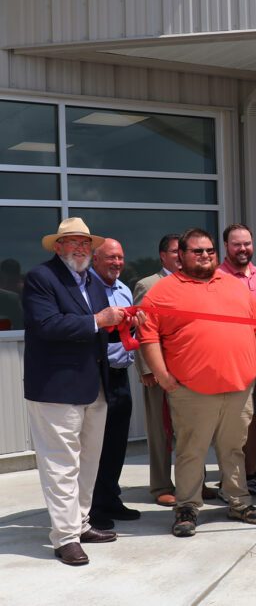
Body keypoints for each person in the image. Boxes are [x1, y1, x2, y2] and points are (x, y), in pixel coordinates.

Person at [138, 228, 256, 538]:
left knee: (233, 449)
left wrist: (253, 367)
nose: (205, 256)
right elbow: (148, 336)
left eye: (209, 250)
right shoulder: (162, 291)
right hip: (191, 390)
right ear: (181, 255)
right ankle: (187, 507)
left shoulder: (234, 286)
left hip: (238, 388)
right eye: (197, 251)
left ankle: (239, 502)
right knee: (191, 451)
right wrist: (163, 375)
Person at [22, 217, 131, 565]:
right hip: (56, 388)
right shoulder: (41, 278)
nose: (81, 249)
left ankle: (81, 524)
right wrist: (100, 320)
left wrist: (125, 324)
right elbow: (47, 325)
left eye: (85, 243)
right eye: (73, 242)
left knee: (88, 462)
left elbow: (98, 331)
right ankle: (65, 537)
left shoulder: (93, 282)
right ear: (58, 247)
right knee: (61, 464)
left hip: (94, 385)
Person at [217, 224, 256, 498]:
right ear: (226, 247)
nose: (243, 249)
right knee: (230, 425)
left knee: (254, 421)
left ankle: (250, 475)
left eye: (247, 243)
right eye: (236, 244)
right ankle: (230, 481)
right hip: (231, 366)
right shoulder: (216, 278)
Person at [88, 238, 141, 530]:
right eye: (111, 257)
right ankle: (92, 507)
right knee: (95, 443)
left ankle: (110, 499)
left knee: (116, 442)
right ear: (95, 259)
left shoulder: (123, 289)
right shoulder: (87, 288)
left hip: (121, 374)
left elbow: (126, 331)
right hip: (98, 375)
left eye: (120, 257)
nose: (117, 263)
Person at [133, 233, 180, 507]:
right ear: (163, 256)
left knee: (190, 431)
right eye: (174, 252)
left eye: (183, 251)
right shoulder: (148, 284)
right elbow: (141, 329)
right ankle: (161, 485)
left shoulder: (193, 284)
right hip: (159, 371)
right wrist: (147, 369)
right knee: (160, 431)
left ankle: (193, 483)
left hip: (189, 372)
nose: (180, 256)